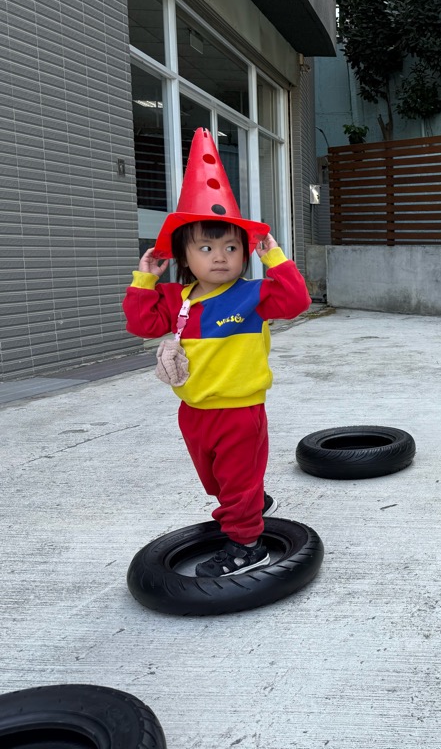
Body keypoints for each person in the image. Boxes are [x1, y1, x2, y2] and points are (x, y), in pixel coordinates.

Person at [123, 128, 311, 577]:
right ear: (184, 257)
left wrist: (275, 258)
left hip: (239, 411)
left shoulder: (254, 294)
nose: (221, 257)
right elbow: (141, 324)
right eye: (206, 248)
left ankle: (247, 546)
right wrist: (145, 279)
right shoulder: (177, 298)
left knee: (236, 480)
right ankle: (251, 504)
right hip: (194, 410)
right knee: (215, 480)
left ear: (245, 252)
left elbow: (296, 301)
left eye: (231, 247)